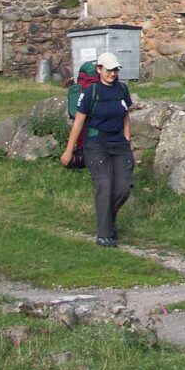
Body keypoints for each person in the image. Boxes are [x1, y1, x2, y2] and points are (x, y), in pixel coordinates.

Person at [61, 51, 134, 247]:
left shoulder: (122, 89)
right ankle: (104, 235)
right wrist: (69, 151)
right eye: (108, 70)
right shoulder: (90, 93)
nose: (112, 73)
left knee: (124, 188)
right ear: (100, 69)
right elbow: (78, 124)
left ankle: (107, 221)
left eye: (115, 70)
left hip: (119, 143)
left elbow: (126, 114)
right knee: (104, 186)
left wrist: (127, 138)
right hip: (96, 143)